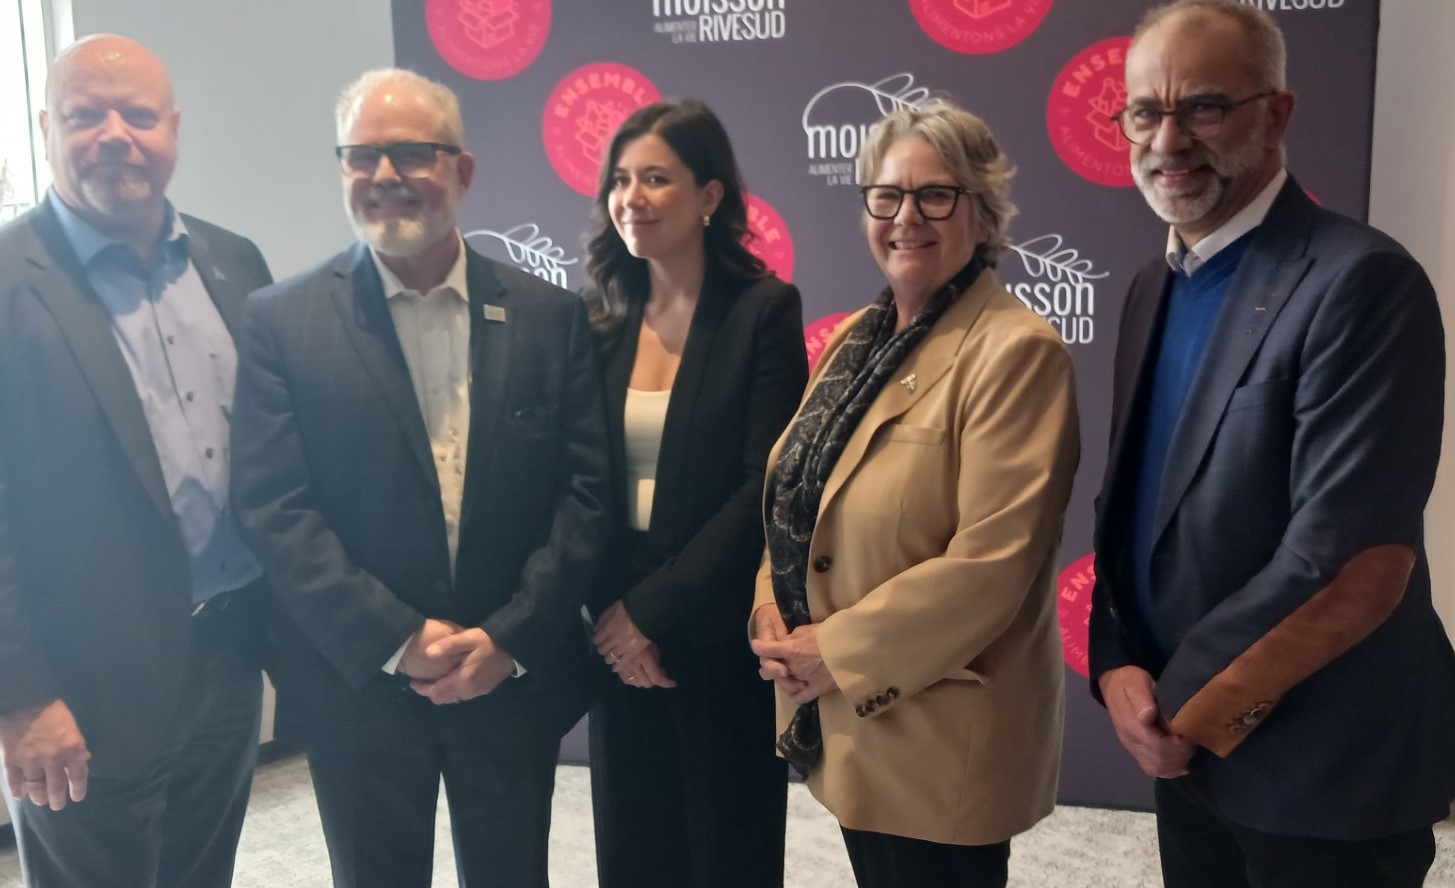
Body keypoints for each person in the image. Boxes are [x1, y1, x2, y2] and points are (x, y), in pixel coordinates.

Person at [1089, 2, 1455, 886]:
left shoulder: (1363, 282)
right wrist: (1115, 666)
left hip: (1325, 767)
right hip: (1191, 757)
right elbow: (1135, 510)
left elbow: (1346, 557)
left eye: (1203, 107)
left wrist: (1178, 707)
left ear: (1277, 114)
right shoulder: (1151, 282)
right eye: (1144, 111)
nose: (1166, 140)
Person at [229, 68, 608, 888]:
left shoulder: (552, 319)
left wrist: (509, 637)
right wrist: (398, 639)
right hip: (355, 683)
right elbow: (273, 507)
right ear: (341, 170)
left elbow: (583, 497)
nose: (386, 176)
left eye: (411, 153)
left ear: (461, 172)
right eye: (363, 155)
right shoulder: (281, 323)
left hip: (506, 681)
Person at [749, 98, 1079, 888]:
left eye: (936, 195)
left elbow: (992, 565)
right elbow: (795, 499)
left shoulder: (1015, 351)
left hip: (940, 734)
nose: (906, 217)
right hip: (850, 720)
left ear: (982, 208)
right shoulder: (856, 343)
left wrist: (833, 649)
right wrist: (769, 602)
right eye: (887, 195)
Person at [0, 34, 273, 888]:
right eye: (86, 115)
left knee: (202, 874)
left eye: (139, 115)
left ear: (174, 131)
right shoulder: (8, 280)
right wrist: (22, 695)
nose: (115, 134)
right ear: (48, 127)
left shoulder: (235, 262)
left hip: (228, 659)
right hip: (79, 688)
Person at [581, 99, 806, 888]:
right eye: (619, 180)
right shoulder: (597, 320)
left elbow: (762, 486)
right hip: (613, 634)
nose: (630, 198)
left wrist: (653, 611)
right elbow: (580, 487)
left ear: (710, 197)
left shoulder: (762, 312)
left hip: (714, 634)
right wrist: (615, 617)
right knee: (633, 851)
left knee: (726, 852)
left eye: (655, 179)